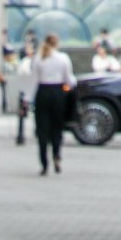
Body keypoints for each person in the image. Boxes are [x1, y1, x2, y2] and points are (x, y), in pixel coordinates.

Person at [31, 33, 76, 175]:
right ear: (57, 44)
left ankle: (44, 163)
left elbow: (33, 81)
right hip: (58, 93)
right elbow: (70, 80)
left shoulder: (38, 58)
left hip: (42, 92)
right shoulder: (63, 58)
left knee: (42, 129)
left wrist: (27, 99)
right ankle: (56, 154)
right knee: (57, 126)